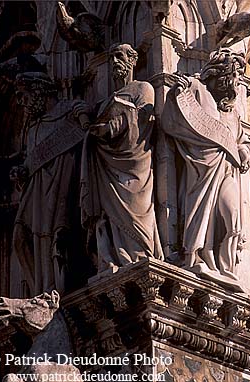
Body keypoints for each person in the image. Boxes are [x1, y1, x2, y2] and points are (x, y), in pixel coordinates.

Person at [161, 49, 250, 292]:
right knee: (201, 212)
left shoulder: (231, 114)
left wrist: (243, 152)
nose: (229, 84)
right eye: (226, 78)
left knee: (233, 220)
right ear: (214, 75)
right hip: (200, 167)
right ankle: (198, 256)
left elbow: (242, 141)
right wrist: (176, 93)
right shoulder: (196, 89)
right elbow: (173, 118)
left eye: (232, 80)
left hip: (227, 172)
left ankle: (226, 267)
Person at [80, 43, 162, 275]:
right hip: (106, 165)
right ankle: (111, 258)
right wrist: (94, 129)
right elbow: (94, 131)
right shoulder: (105, 103)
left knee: (137, 209)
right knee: (108, 215)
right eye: (112, 57)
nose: (116, 61)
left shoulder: (142, 89)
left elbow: (145, 122)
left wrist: (116, 126)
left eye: (120, 56)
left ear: (133, 60)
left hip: (134, 162)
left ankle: (139, 254)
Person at [11, 72, 89, 294]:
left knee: (56, 240)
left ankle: (53, 289)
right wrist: (21, 174)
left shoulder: (70, 111)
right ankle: (40, 289)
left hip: (60, 191)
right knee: (20, 236)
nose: (21, 102)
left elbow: (88, 132)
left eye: (23, 95)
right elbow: (32, 164)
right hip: (35, 195)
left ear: (39, 90)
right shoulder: (33, 129)